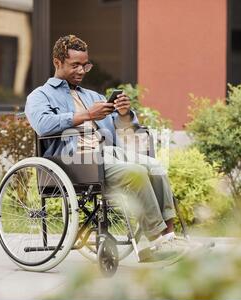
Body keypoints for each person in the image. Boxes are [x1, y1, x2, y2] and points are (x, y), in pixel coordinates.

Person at [25, 35, 187, 259]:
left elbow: (125, 129)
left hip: (110, 155)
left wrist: (123, 114)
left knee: (156, 166)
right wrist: (86, 115)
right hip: (74, 161)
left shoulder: (93, 96)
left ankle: (169, 238)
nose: (81, 71)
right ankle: (156, 241)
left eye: (85, 65)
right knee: (137, 173)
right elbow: (43, 125)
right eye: (75, 65)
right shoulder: (40, 96)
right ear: (57, 62)